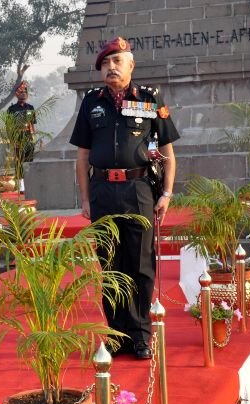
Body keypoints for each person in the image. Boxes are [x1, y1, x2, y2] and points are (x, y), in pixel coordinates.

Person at [69, 37, 179, 360]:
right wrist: (86, 200)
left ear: (131, 65)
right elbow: (82, 157)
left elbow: (169, 154)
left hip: (139, 191)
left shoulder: (149, 100)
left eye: (117, 61)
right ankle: (116, 334)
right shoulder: (92, 103)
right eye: (105, 63)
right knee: (110, 265)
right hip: (103, 192)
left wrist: (168, 193)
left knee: (141, 264)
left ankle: (140, 335)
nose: (110, 68)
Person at [6, 81, 37, 185]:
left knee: (29, 161)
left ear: (27, 94)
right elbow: (8, 127)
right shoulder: (11, 109)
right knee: (20, 161)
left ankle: (31, 182)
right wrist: (12, 141)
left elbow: (32, 125)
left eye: (25, 92)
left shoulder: (30, 108)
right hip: (17, 138)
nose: (23, 94)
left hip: (28, 137)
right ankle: (21, 185)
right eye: (21, 92)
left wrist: (33, 139)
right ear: (16, 94)